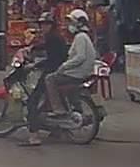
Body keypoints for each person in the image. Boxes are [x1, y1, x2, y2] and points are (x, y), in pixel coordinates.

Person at [18, 12, 68, 146]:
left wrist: (34, 65)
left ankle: (34, 136)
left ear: (51, 25)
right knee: (45, 101)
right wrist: (32, 48)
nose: (43, 27)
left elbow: (52, 60)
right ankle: (56, 130)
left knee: (32, 101)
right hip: (57, 69)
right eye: (42, 25)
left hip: (52, 71)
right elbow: (45, 48)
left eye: (46, 24)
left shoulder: (53, 38)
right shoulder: (53, 37)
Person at [44, 8, 96, 117]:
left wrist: (64, 66)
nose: (69, 25)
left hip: (77, 73)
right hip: (81, 72)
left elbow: (80, 57)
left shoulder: (80, 37)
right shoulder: (83, 37)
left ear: (79, 23)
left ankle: (58, 109)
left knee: (50, 79)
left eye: (71, 22)